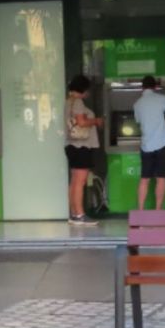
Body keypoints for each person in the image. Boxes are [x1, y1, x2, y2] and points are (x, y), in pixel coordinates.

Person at [133, 75, 165, 210]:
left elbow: (139, 122)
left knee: (144, 179)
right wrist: (162, 129)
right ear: (156, 87)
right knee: (161, 178)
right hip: (164, 143)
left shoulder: (137, 104)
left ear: (142, 87)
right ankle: (158, 210)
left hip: (147, 145)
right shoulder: (163, 99)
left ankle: (140, 210)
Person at [64, 74, 103, 226]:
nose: (88, 92)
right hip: (81, 146)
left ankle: (74, 214)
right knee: (80, 182)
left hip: (71, 145)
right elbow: (81, 122)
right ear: (83, 89)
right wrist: (96, 121)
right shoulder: (78, 102)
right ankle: (80, 215)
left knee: (74, 181)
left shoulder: (69, 101)